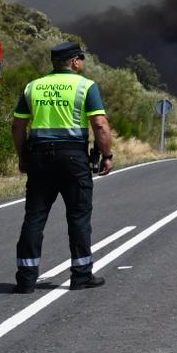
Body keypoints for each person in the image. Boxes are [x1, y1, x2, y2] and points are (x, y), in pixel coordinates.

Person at [12, 40, 115, 293]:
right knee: (78, 217)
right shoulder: (85, 86)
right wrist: (107, 155)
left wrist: (22, 157)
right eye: (81, 59)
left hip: (39, 158)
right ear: (75, 62)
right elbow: (100, 124)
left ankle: (26, 279)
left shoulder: (33, 86)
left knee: (34, 216)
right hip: (73, 158)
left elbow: (18, 125)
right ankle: (81, 276)